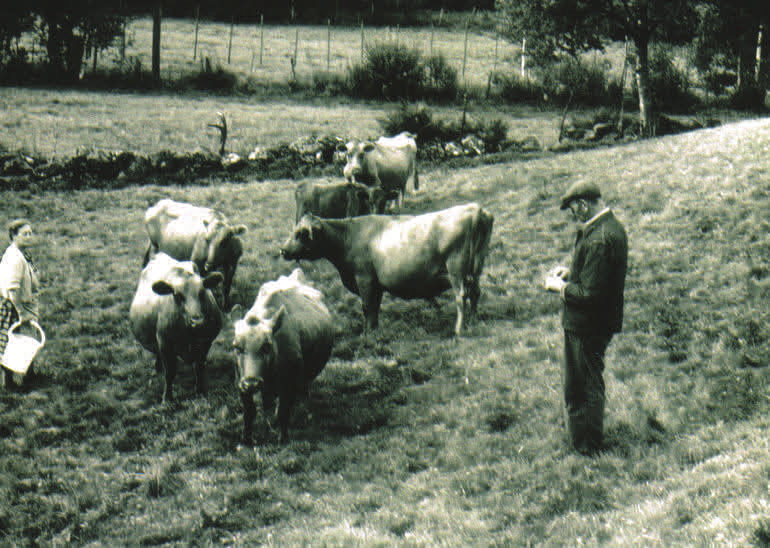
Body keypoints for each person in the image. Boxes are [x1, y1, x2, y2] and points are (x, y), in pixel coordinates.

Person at [544, 181, 628, 456]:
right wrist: (572, 271)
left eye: (572, 210)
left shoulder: (599, 238)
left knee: (582, 386)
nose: (572, 216)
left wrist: (560, 287)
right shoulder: (608, 228)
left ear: (583, 204)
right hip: (595, 323)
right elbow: (597, 276)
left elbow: (590, 294)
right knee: (585, 381)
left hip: (586, 325)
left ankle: (587, 447)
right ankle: (585, 442)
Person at [0, 219, 41, 389]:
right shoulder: (15, 257)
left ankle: (28, 376)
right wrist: (20, 312)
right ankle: (11, 382)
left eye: (30, 233)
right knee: (15, 341)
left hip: (21, 305)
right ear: (13, 236)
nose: (29, 237)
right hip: (16, 306)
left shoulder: (20, 253)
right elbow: (13, 288)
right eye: (24, 234)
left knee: (24, 340)